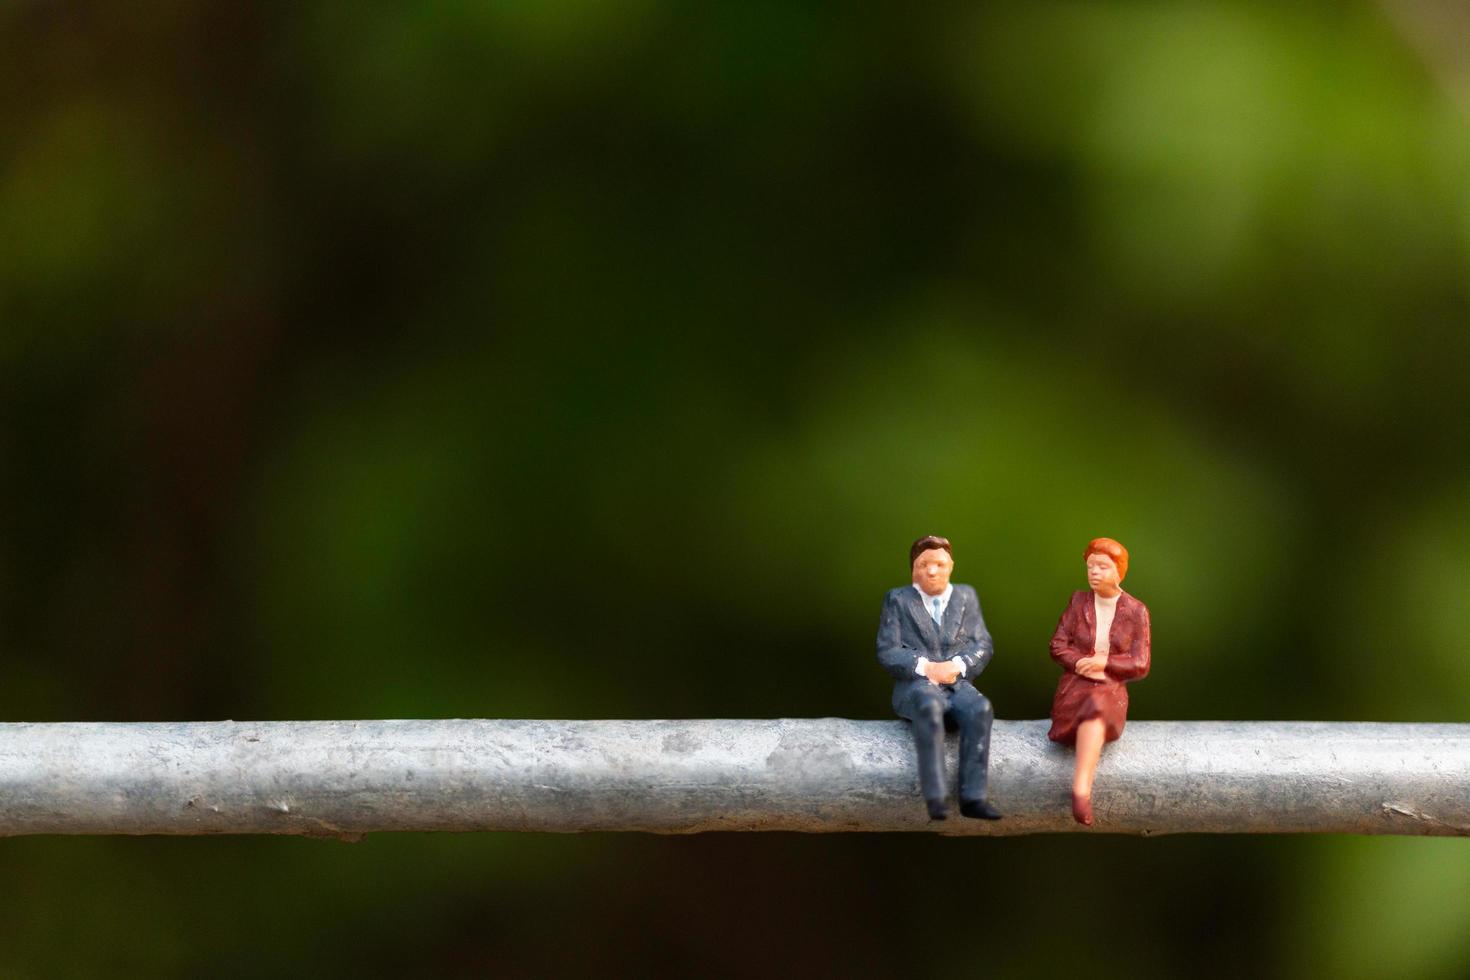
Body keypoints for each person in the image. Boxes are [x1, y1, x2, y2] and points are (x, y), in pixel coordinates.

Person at [876, 535, 1002, 821]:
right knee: (929, 708)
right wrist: (925, 667)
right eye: (924, 564)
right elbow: (888, 650)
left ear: (951, 566)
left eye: (939, 564)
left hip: (956, 682)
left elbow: (982, 644)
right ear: (913, 569)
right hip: (917, 685)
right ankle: (935, 797)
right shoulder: (897, 600)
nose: (931, 571)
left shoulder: (966, 596)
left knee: (979, 708)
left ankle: (973, 797)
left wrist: (958, 665)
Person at [1047, 537, 1151, 826]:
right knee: (1086, 702)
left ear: (1119, 571)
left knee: (1096, 707)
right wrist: (1080, 662)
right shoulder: (1078, 601)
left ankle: (1081, 790)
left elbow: (1140, 663)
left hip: (1109, 686)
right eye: (1091, 566)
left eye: (1103, 567)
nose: (1094, 572)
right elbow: (1057, 645)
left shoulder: (1136, 610)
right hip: (1076, 683)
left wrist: (1105, 663)